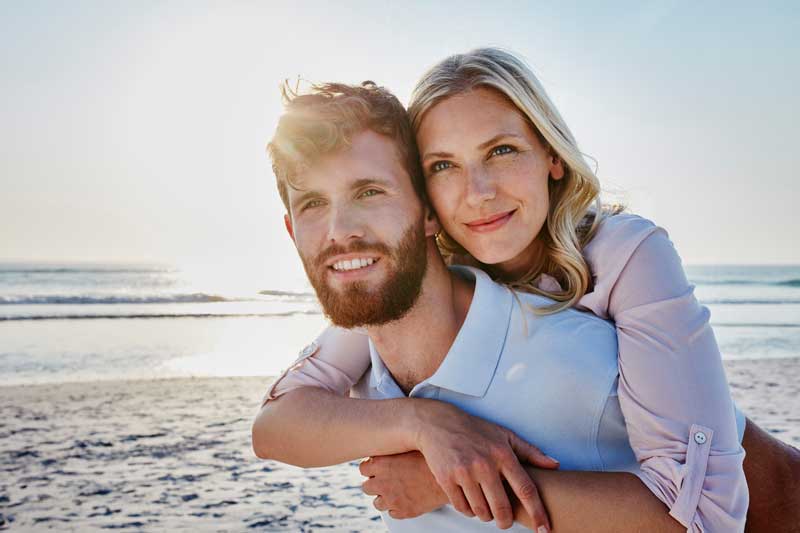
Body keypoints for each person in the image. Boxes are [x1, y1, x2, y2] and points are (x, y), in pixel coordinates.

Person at [254, 49, 800, 532]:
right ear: (426, 198)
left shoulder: (622, 253)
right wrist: (425, 422)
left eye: (502, 151)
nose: (479, 192)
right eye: (444, 165)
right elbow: (278, 421)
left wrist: (449, 484)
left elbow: (705, 510)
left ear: (552, 156)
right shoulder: (420, 277)